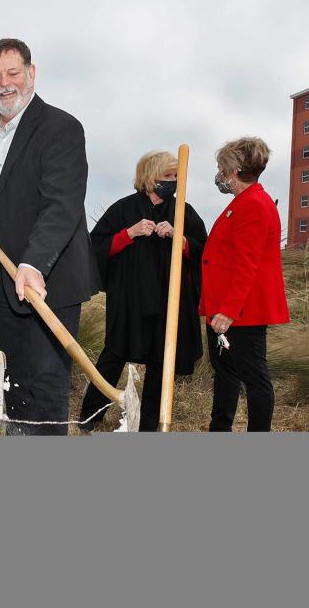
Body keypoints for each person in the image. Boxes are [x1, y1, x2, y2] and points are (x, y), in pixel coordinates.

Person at [0, 38, 100, 435]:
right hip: (5, 276)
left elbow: (62, 205)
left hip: (49, 279)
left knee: (48, 381)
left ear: (31, 73)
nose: (5, 84)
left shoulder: (61, 128)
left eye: (13, 73)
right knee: (14, 376)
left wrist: (33, 263)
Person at [79, 151, 207, 432]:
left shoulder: (184, 212)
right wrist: (128, 234)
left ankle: (149, 426)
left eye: (176, 176)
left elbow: (203, 251)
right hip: (129, 302)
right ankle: (90, 417)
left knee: (162, 363)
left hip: (168, 303)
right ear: (150, 178)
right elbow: (95, 248)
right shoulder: (123, 210)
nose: (172, 182)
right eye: (167, 176)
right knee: (113, 356)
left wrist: (180, 238)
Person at [201, 137, 289, 431]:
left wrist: (228, 311)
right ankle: (219, 429)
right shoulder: (242, 203)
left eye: (222, 168)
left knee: (254, 378)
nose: (220, 174)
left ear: (235, 170)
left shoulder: (253, 204)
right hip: (226, 308)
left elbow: (247, 265)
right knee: (225, 373)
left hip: (241, 312)